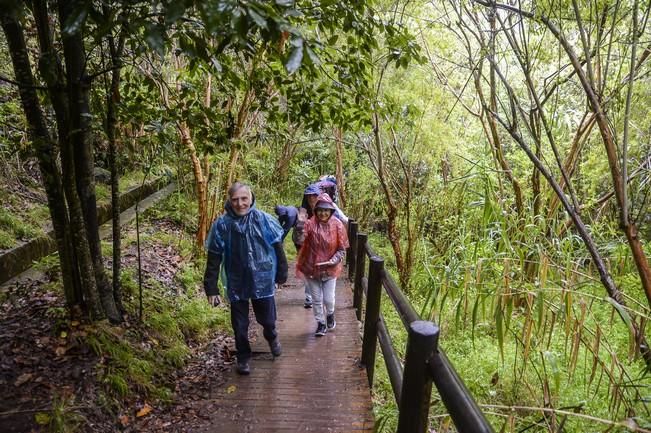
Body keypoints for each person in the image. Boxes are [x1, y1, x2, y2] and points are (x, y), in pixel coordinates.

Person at [203, 182, 288, 375]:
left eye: (244, 199)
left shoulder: (263, 220)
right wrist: (211, 287)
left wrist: (281, 273)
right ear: (229, 201)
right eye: (235, 199)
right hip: (236, 280)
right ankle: (243, 356)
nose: (240, 203)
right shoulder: (222, 225)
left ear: (251, 198)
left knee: (267, 319)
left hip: (263, 277)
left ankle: (272, 336)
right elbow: (214, 257)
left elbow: (277, 248)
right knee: (239, 325)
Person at [296, 193, 349, 336]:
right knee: (317, 299)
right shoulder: (310, 224)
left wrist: (334, 260)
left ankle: (330, 314)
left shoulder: (337, 225)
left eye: (326, 210)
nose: (323, 213)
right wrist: (300, 224)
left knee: (328, 299)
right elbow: (299, 240)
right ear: (316, 210)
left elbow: (341, 249)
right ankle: (321, 323)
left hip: (330, 269)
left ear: (331, 211)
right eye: (320, 210)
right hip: (311, 267)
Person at [293, 183, 322, 308]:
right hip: (303, 241)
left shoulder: (325, 208)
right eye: (309, 196)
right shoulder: (303, 210)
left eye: (314, 196)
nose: (312, 199)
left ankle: (315, 295)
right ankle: (310, 297)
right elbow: (300, 224)